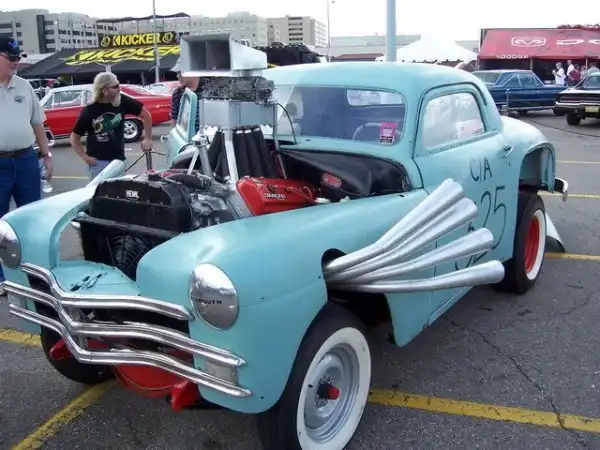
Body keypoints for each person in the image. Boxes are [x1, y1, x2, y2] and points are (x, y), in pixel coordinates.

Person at [0, 36, 53, 293]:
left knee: (31, 220)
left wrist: (47, 155)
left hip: (25, 161)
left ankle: (33, 273)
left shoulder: (24, 86)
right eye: (10, 58)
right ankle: (3, 278)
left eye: (18, 58)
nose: (16, 63)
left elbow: (37, 123)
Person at [69, 72, 153, 181]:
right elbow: (74, 138)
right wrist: (85, 157)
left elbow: (146, 114)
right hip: (98, 163)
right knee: (99, 191)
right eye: (116, 86)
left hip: (118, 161)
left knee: (118, 191)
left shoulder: (122, 101)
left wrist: (148, 138)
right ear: (105, 91)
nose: (119, 89)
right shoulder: (89, 111)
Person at [169, 58, 200, 132]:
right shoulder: (177, 93)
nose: (177, 76)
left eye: (180, 72)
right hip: (187, 137)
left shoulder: (210, 90)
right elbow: (175, 122)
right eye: (177, 73)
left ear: (192, 71)